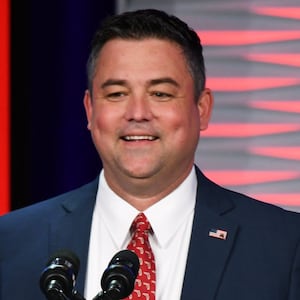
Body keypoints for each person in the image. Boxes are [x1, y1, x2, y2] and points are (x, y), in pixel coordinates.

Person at [1, 8, 300, 300]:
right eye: (117, 93)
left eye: (160, 93)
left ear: (202, 108)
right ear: (90, 110)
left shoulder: (285, 245)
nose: (137, 113)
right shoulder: (11, 242)